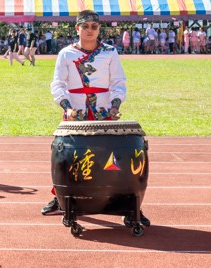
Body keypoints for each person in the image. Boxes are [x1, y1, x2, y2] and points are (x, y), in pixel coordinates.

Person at [43, 10, 150, 227]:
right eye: (85, 26)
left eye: (94, 26)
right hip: (75, 113)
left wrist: (115, 104)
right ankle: (60, 196)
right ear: (77, 29)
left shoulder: (110, 52)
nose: (90, 30)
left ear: (99, 28)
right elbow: (58, 84)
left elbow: (118, 82)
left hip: (103, 114)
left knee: (114, 159)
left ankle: (130, 206)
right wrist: (67, 107)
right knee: (67, 157)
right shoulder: (66, 53)